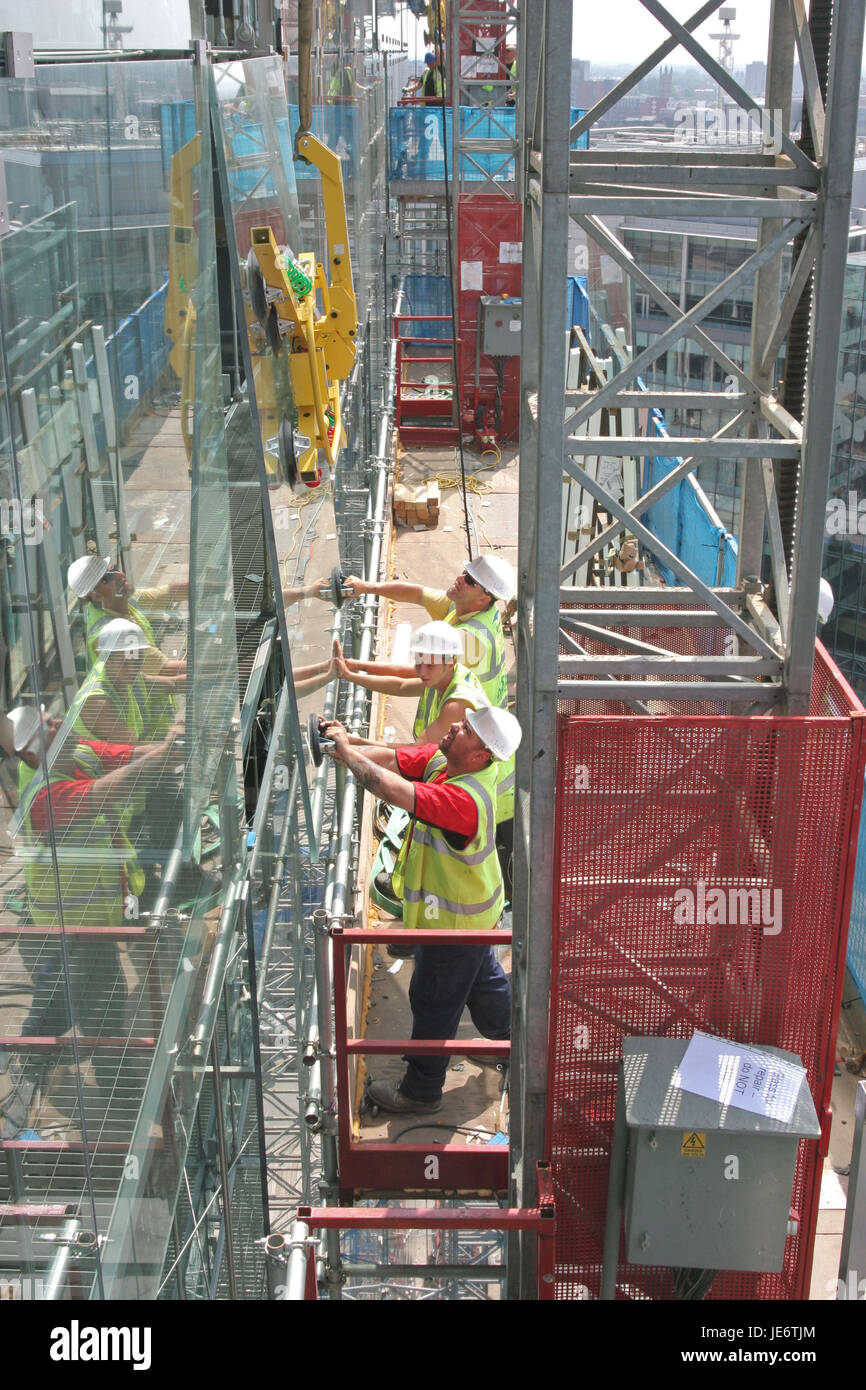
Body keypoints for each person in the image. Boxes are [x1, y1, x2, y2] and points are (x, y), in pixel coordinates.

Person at [323, 705, 522, 1113]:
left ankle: (421, 1091)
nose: (454, 726)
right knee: (482, 985)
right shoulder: (446, 764)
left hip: (453, 926)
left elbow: (391, 788)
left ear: (480, 755)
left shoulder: (462, 800)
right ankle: (514, 1047)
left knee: (433, 1001)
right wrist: (346, 744)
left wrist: (346, 752)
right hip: (472, 917)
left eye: (465, 729)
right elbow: (394, 757)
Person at [9, 706, 182, 1072]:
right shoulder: (43, 798)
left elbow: (123, 755)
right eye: (50, 726)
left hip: (108, 908)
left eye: (54, 718)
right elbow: (103, 792)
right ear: (29, 751)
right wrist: (164, 754)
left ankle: (64, 1053)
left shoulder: (76, 753)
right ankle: (44, 1063)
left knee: (87, 999)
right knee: (85, 1005)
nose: (60, 723)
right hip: (72, 928)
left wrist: (170, 747)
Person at [342, 553, 515, 710]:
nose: (460, 578)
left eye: (470, 580)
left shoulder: (470, 640)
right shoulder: (473, 605)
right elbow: (417, 594)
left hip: (475, 730)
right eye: (464, 572)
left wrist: (353, 668)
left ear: (483, 598)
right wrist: (365, 587)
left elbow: (406, 680)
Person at [73, 619, 177, 746]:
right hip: (98, 765)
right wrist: (180, 745)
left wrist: (204, 677)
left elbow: (171, 684)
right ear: (107, 660)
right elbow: (134, 749)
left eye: (137, 660)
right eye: (124, 663)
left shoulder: (120, 673)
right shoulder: (98, 703)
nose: (133, 669)